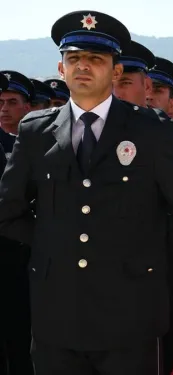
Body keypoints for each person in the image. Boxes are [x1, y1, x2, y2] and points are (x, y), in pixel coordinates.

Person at [0, 11, 173, 375]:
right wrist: (52, 244)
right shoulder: (36, 132)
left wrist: (137, 251)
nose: (83, 67)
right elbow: (8, 210)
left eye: (96, 60)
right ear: (61, 68)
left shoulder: (151, 131)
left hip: (129, 313)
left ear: (116, 72)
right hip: (57, 313)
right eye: (74, 59)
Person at [0, 70, 35, 375]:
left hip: (16, 262)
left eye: (12, 101)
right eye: (1, 102)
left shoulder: (28, 146)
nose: (3, 108)